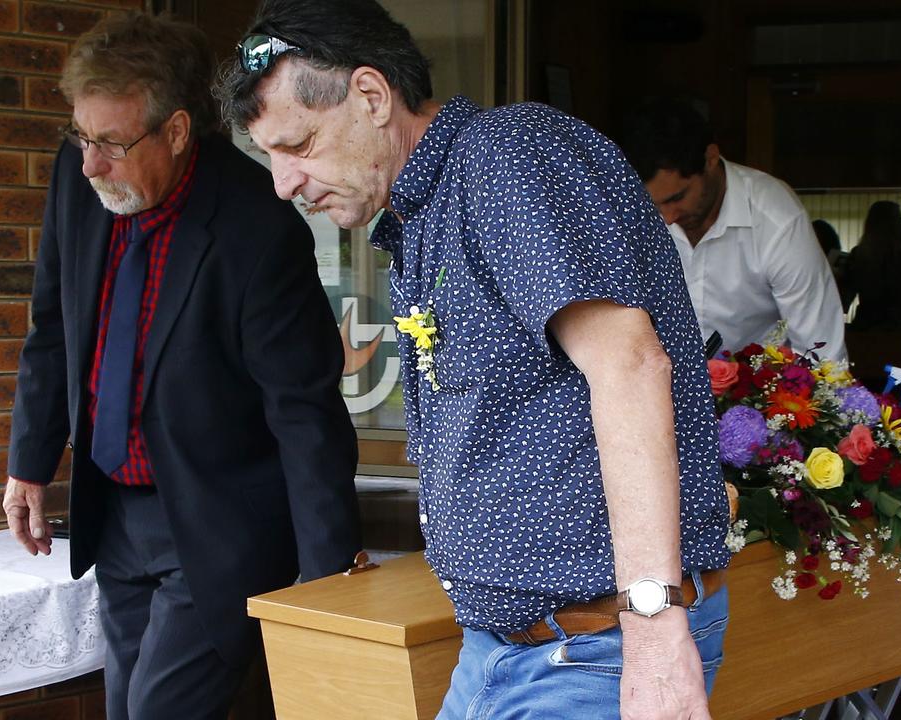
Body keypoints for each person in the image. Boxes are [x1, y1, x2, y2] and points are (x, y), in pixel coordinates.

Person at [219, 2, 731, 719]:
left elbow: (631, 363)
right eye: (269, 155)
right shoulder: (421, 211)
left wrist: (653, 630)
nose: (283, 182)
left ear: (370, 96)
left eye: (297, 144)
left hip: (596, 647)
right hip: (510, 649)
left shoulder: (507, 155)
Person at [2, 14, 362, 719]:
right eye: (81, 136)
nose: (90, 164)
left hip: (215, 527)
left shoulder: (258, 228)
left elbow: (304, 411)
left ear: (174, 131)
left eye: (110, 143)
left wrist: (329, 588)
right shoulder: (81, 185)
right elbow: (53, 328)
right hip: (113, 514)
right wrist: (30, 463)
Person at [621, 98, 848, 362]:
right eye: (655, 205)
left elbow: (821, 354)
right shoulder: (634, 215)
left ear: (710, 158)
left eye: (677, 197)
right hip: (660, 384)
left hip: (754, 391)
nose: (668, 218)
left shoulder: (776, 219)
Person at [846, 200, 901, 331]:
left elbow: (846, 296)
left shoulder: (859, 254)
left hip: (865, 325)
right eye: (899, 217)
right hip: (896, 327)